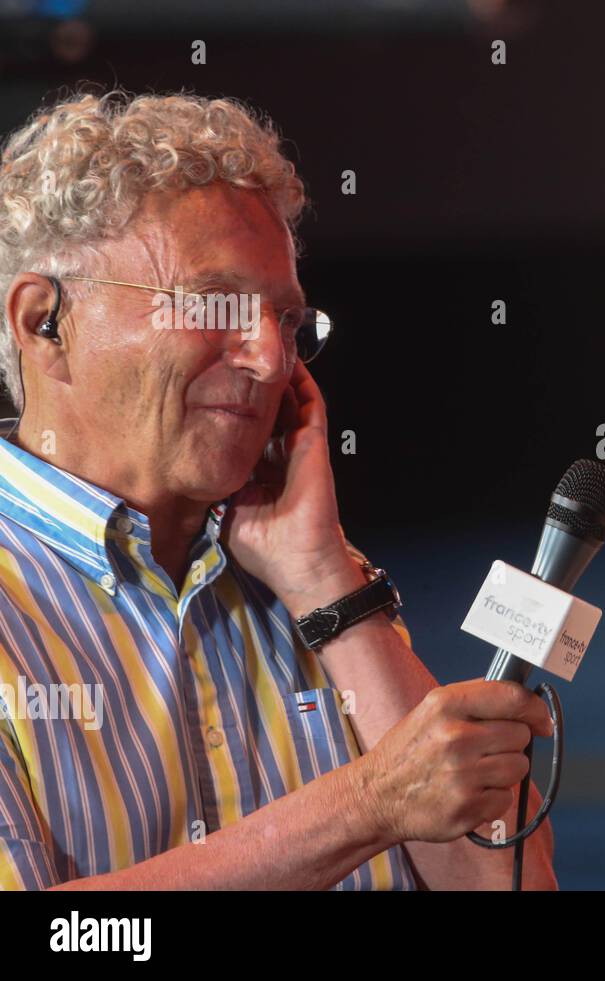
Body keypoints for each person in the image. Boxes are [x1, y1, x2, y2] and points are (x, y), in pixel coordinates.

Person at [0, 90, 556, 890]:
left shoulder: (315, 580)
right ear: (44, 320)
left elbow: (513, 887)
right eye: (215, 303)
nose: (269, 359)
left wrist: (326, 580)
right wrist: (365, 805)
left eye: (289, 321)